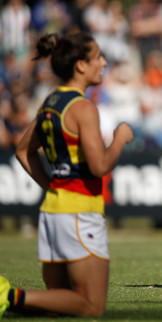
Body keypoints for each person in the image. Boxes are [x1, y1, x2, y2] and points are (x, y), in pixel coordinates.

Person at [0, 33, 133, 318]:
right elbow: (99, 167)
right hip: (80, 212)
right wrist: (120, 139)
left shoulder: (50, 102)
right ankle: (7, 295)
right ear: (81, 65)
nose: (104, 62)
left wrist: (53, 188)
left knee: (58, 306)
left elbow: (24, 152)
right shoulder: (83, 108)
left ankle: (10, 298)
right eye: (98, 56)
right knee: (91, 306)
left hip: (53, 211)